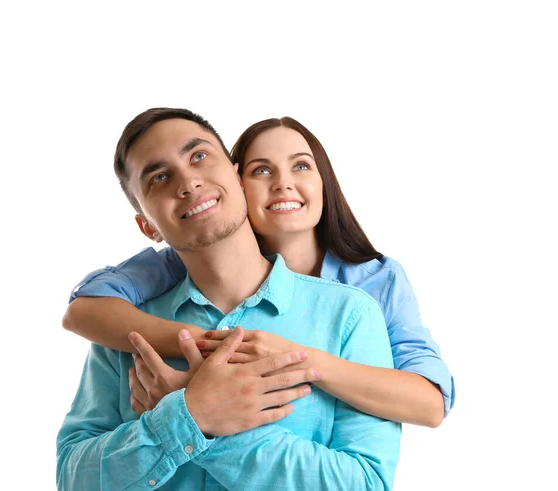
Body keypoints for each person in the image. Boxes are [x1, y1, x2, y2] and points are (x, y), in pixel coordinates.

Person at [57, 108, 401, 490]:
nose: (188, 182)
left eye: (199, 156)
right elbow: (73, 478)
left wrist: (197, 421)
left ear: (237, 177)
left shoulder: (348, 315)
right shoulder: (127, 332)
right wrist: (191, 415)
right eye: (160, 177)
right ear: (147, 226)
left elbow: (366, 483)